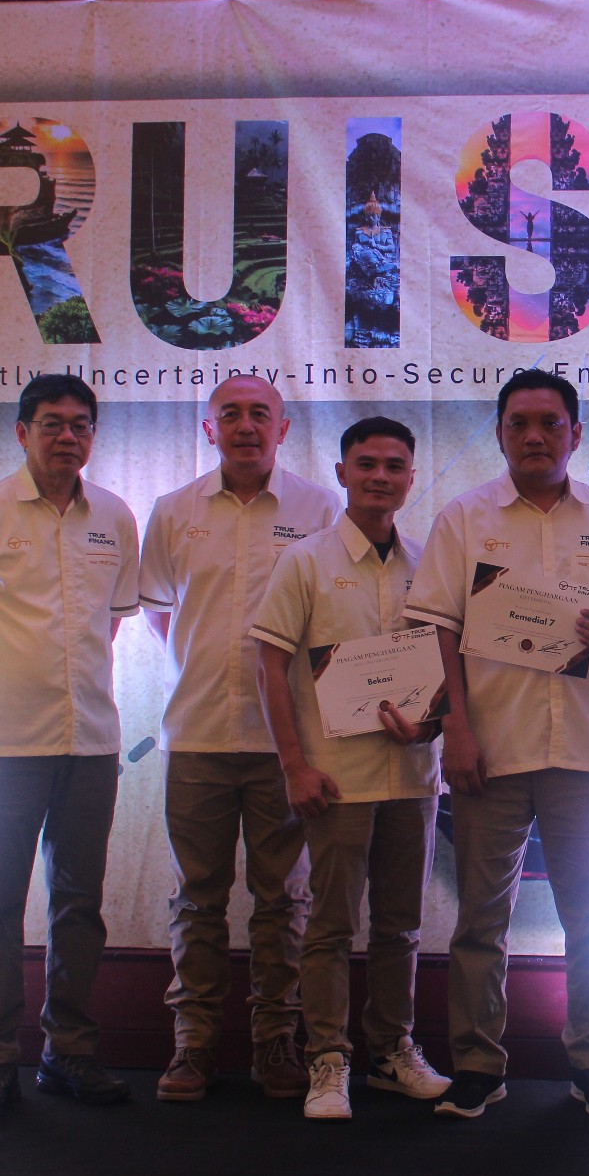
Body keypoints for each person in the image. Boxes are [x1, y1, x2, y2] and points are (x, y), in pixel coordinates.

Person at [404, 370, 589, 1120]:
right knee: (481, 918)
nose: (535, 436)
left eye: (550, 423)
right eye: (519, 424)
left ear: (575, 432)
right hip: (491, 744)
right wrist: (456, 729)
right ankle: (478, 1064)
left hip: (584, 744)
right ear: (502, 432)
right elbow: (436, 627)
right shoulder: (464, 518)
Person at [0, 374, 140, 1120]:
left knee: (79, 902)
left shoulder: (115, 517)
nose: (67, 437)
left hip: (91, 739)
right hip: (0, 743)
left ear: (92, 436)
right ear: (23, 432)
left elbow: (112, 619)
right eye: (52, 423)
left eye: (80, 425)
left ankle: (68, 1051)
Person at [136, 376, 337, 1104]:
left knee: (283, 899)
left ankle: (275, 1039)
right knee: (197, 898)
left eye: (260, 414)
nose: (245, 425)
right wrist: (204, 668)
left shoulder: (320, 509)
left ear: (283, 429)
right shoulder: (173, 511)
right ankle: (193, 1043)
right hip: (196, 734)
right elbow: (159, 612)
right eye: (230, 414)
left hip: (288, 745)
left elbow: (332, 620)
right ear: (208, 429)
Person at [250, 416, 451, 1121]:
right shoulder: (305, 561)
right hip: (336, 779)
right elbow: (270, 665)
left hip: (413, 779)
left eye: (394, 466)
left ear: (410, 478)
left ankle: (392, 1051)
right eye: (366, 464)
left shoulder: (429, 563)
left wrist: (430, 724)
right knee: (331, 926)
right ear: (341, 473)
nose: (380, 477)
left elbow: (446, 670)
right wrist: (294, 766)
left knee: (400, 927)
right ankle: (327, 1059)